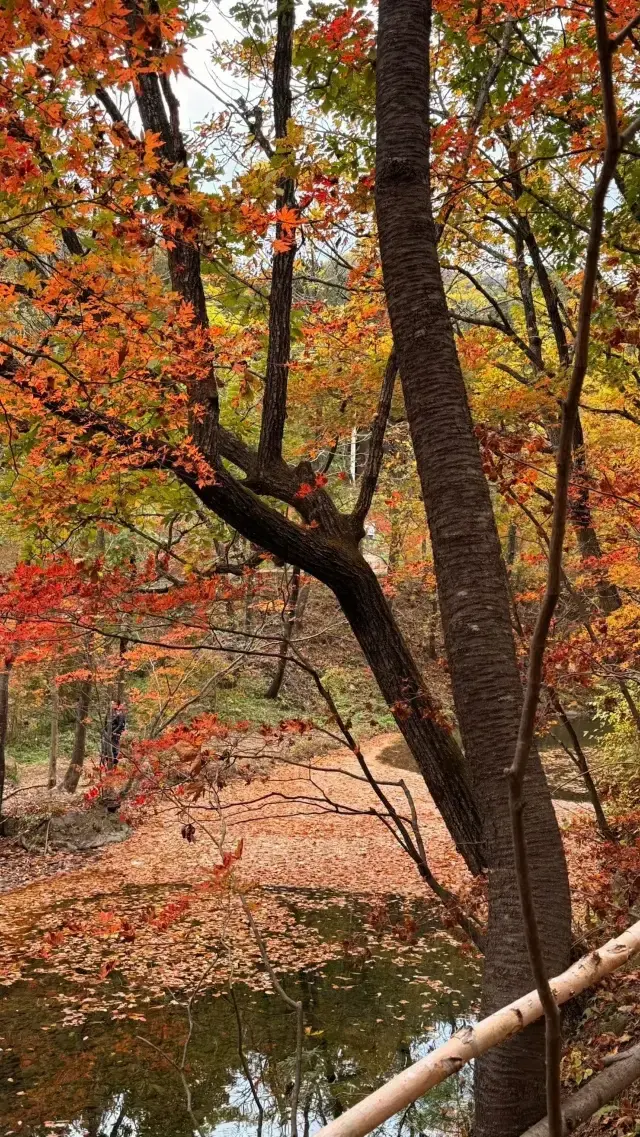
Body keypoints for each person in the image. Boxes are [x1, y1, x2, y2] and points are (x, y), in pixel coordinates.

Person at [100, 701, 127, 770]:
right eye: (111, 704)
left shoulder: (120, 714)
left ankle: (114, 766)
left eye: (114, 704)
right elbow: (106, 723)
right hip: (108, 734)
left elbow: (120, 725)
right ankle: (106, 765)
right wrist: (105, 732)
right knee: (106, 749)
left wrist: (113, 732)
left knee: (114, 749)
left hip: (115, 734)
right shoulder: (109, 714)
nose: (112, 705)